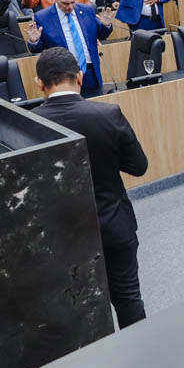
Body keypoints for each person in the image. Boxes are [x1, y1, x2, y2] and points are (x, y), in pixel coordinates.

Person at [31, 47, 148, 327]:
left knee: (78, 310)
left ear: (39, 83)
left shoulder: (31, 123)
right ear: (80, 77)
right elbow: (138, 166)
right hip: (115, 226)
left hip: (63, 235)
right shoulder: (108, 114)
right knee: (129, 299)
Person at [21, 0, 115, 91]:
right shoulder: (43, 17)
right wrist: (34, 41)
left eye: (73, 2)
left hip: (90, 71)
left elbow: (101, 35)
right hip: (62, 75)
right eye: (65, 3)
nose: (70, 7)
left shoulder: (87, 10)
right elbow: (38, 48)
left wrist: (106, 25)